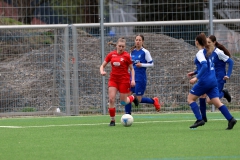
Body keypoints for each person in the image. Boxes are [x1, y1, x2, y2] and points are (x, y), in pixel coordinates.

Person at [187, 33, 237, 130]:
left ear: (197, 42)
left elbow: (205, 65)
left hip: (205, 81)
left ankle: (199, 119)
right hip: (213, 80)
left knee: (190, 99)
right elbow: (207, 66)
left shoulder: (200, 53)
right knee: (216, 102)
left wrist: (196, 78)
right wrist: (195, 72)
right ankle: (231, 119)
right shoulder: (208, 51)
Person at [100, 37, 139, 126]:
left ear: (124, 47)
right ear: (116, 46)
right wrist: (102, 71)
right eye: (119, 46)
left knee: (123, 102)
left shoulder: (126, 56)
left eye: (123, 46)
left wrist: (132, 79)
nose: (121, 48)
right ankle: (112, 120)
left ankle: (132, 97)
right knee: (111, 99)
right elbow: (102, 66)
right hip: (113, 80)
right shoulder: (111, 55)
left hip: (124, 80)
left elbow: (132, 69)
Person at [125, 34, 161, 114]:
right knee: (127, 96)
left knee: (138, 99)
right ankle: (127, 115)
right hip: (131, 78)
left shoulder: (145, 52)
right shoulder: (132, 52)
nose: (137, 41)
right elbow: (130, 65)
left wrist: (142, 65)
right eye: (136, 40)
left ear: (142, 41)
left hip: (140, 78)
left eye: (139, 40)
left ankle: (153, 100)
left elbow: (151, 64)